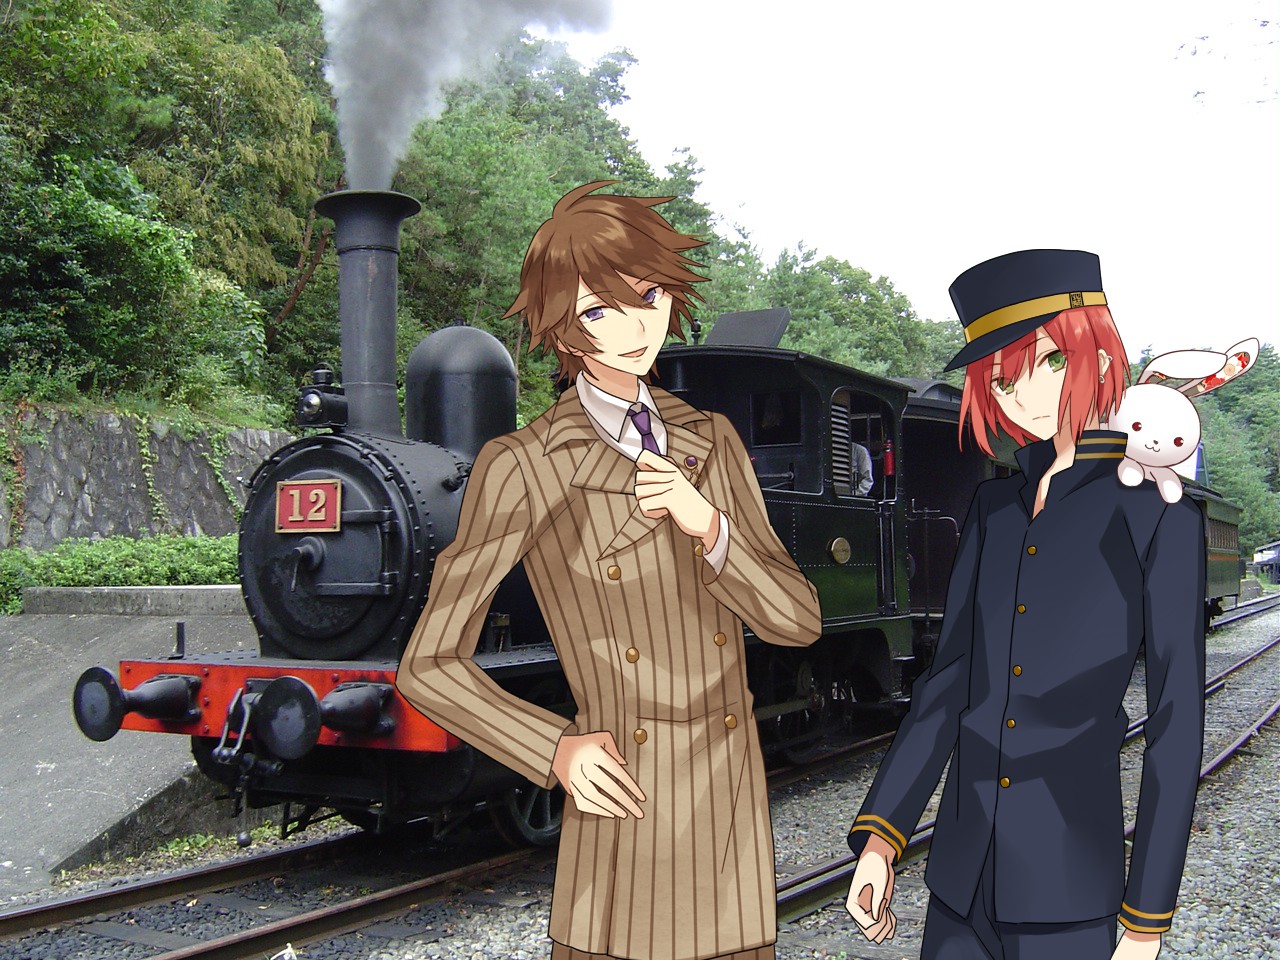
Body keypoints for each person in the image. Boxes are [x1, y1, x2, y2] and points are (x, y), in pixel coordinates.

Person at [396, 181, 822, 960]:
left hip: (729, 809)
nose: (634, 328)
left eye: (650, 296)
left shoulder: (711, 440)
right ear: (562, 324)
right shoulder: (525, 465)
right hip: (626, 800)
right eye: (599, 311)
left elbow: (797, 620)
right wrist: (555, 749)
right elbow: (428, 665)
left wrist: (708, 526)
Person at [843, 250, 1205, 960]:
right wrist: (882, 839)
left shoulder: (1158, 516)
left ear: (1102, 356)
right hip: (959, 881)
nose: (1023, 395)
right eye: (1002, 380)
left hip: (1069, 885)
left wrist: (1147, 919)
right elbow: (947, 683)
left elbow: (1177, 720)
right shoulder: (994, 509)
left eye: (1048, 362)